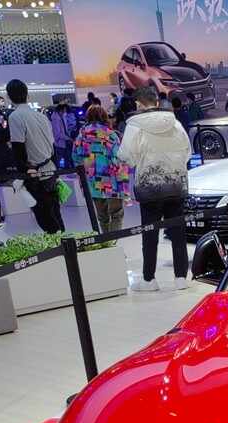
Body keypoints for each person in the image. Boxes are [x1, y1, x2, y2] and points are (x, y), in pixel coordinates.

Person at [117, 84, 192, 292]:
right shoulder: (174, 122)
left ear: (138, 104)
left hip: (149, 188)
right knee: (178, 234)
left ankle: (149, 280)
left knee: (149, 235)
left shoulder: (135, 126)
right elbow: (187, 152)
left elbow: (126, 156)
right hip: (175, 185)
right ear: (156, 102)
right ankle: (180, 278)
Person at [6, 79, 64, 234]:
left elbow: (18, 149)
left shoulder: (15, 117)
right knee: (55, 211)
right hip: (50, 169)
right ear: (27, 95)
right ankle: (66, 242)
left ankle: (59, 243)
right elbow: (52, 146)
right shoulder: (41, 116)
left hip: (34, 173)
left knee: (44, 215)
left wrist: (22, 174)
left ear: (9, 97)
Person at [73, 104, 130, 238]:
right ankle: (114, 242)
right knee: (116, 213)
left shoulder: (81, 135)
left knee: (102, 216)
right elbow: (119, 156)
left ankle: (106, 241)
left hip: (93, 181)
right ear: (104, 116)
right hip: (111, 179)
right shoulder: (110, 134)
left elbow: (76, 157)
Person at [49, 100, 72, 169]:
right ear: (61, 109)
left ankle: (66, 170)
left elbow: (65, 128)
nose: (65, 112)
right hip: (59, 143)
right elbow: (57, 134)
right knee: (59, 162)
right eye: (64, 110)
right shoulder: (55, 119)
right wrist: (68, 138)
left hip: (65, 142)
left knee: (67, 161)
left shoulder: (62, 116)